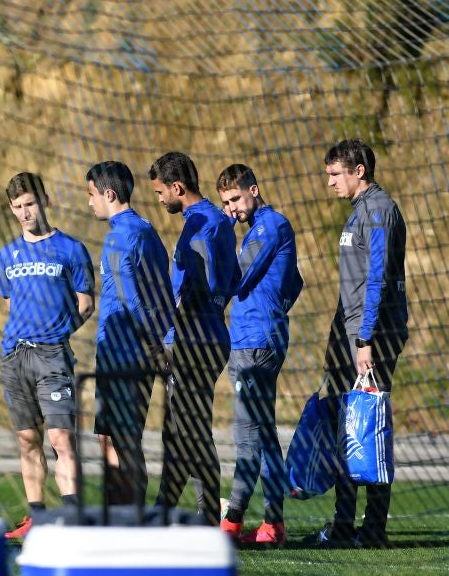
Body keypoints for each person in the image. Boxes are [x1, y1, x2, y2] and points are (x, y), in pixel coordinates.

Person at [314, 139, 407, 549]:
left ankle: (372, 530)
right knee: (347, 428)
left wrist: (364, 338)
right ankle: (343, 524)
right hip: (351, 335)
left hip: (372, 338)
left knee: (370, 428)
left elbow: (378, 280)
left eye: (336, 174)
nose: (330, 182)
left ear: (359, 171)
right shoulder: (358, 211)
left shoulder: (379, 210)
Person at [0, 173, 95, 538]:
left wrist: (59, 332)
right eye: (17, 207)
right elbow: (10, 304)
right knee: (27, 440)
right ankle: (36, 517)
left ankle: (72, 516)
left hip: (52, 356)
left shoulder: (71, 249)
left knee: (61, 438)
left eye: (30, 204)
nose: (24, 213)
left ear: (45, 202)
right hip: (14, 357)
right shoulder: (6, 255)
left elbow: (86, 304)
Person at [148, 151, 239, 527]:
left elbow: (199, 282)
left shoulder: (200, 223)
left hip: (194, 339)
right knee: (188, 427)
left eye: (160, 192)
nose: (159, 199)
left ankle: (175, 510)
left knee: (186, 429)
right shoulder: (216, 221)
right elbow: (232, 280)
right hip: (211, 333)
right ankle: (191, 511)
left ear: (177, 187)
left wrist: (181, 313)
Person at [216, 164, 303, 545]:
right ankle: (273, 524)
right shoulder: (262, 228)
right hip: (256, 339)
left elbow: (237, 277)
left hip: (254, 344)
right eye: (226, 203)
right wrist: (275, 308)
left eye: (235, 199)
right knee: (263, 435)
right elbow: (295, 283)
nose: (231, 208)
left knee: (247, 436)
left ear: (254, 189)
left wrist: (219, 234)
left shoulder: (269, 226)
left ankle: (231, 523)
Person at [85, 161, 172, 511]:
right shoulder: (147, 231)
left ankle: (126, 519)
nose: (89, 202)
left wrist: (148, 342)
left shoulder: (119, 237)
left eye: (91, 194)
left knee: (120, 440)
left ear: (109, 194)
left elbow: (130, 299)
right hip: (133, 352)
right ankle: (122, 515)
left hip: (123, 353)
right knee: (115, 437)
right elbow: (163, 295)